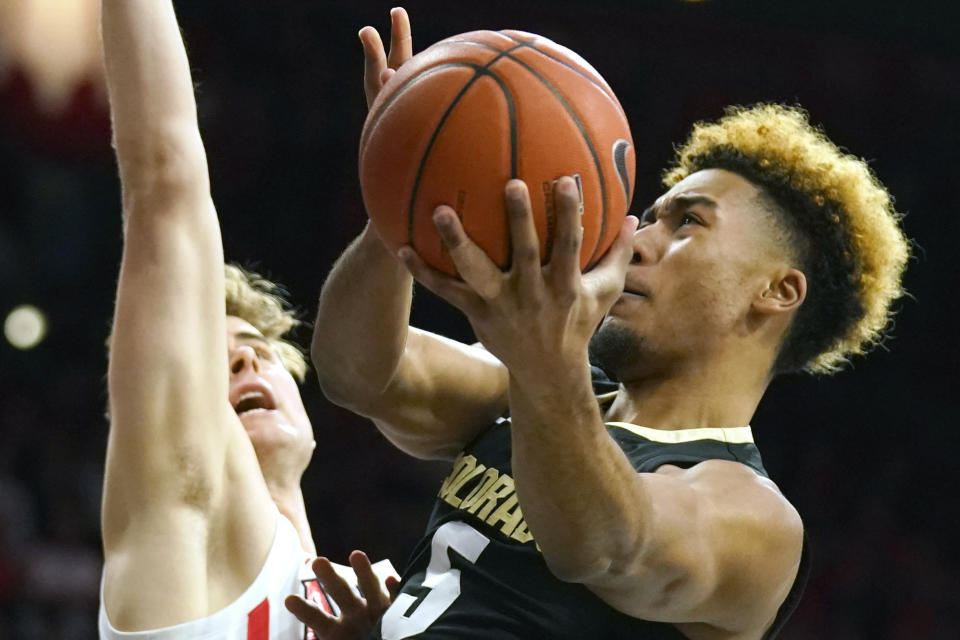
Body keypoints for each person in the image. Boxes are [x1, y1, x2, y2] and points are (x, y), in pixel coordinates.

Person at [300, 11, 910, 640]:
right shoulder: (541, 393)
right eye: (647, 217)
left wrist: (547, 362)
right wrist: (406, 183)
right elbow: (359, 373)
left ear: (777, 291)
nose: (638, 242)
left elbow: (605, 546)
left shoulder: (753, 518)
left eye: (689, 224)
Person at [97, 2, 397, 639]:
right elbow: (164, 182)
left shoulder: (369, 602)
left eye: (259, 348)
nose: (245, 360)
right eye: (217, 357)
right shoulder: (177, 509)